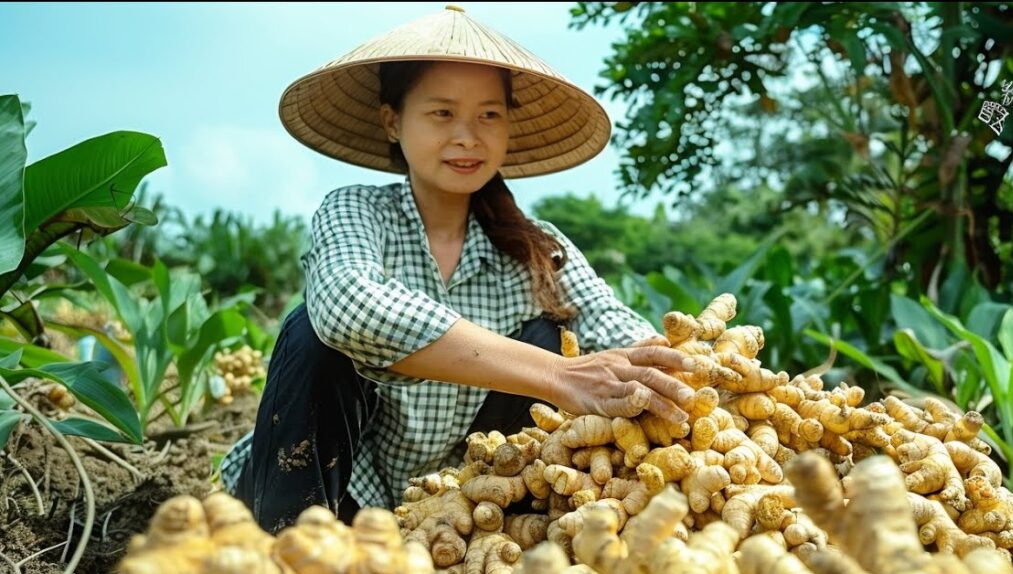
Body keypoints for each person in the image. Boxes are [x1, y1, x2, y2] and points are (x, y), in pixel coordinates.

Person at [218, 5, 697, 532]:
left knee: (550, 334)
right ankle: (286, 556)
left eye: (489, 115)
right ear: (392, 121)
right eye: (442, 113)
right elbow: (347, 307)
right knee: (311, 333)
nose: (468, 136)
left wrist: (695, 374)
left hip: (457, 507)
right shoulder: (356, 210)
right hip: (332, 489)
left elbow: (615, 326)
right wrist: (558, 376)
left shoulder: (537, 247)